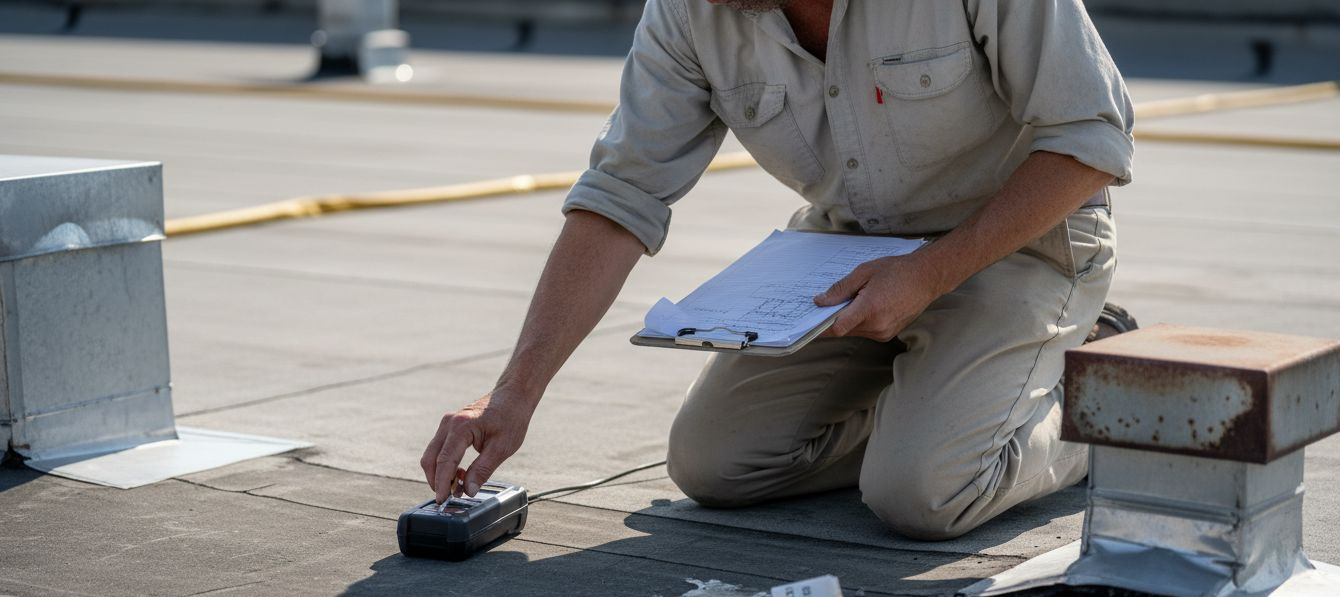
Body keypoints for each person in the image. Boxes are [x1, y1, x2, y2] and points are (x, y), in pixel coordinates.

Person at [421, 0, 1136, 540]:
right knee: (714, 466)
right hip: (848, 256)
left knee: (926, 494)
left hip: (1019, 248)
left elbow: (1092, 138)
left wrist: (928, 273)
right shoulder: (689, 11)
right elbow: (621, 196)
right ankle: (942, 407)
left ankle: (1096, 373)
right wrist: (511, 395)